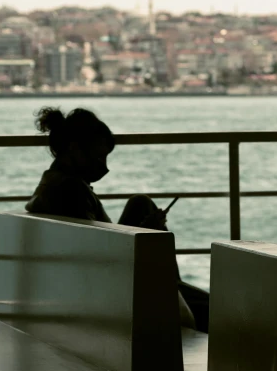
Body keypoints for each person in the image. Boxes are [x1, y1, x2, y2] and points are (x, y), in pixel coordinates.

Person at [26, 106, 196, 328]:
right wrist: (146, 233)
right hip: (110, 285)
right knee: (213, 308)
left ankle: (175, 286)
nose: (103, 166)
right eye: (98, 156)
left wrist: (143, 231)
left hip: (98, 273)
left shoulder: (53, 182)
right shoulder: (72, 191)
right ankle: (173, 289)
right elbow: (102, 257)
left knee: (139, 204)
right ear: (74, 149)